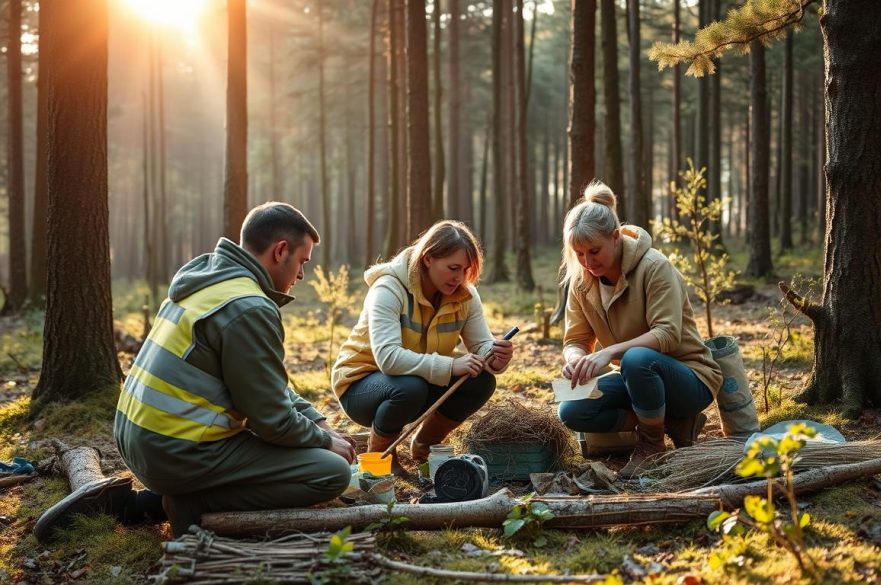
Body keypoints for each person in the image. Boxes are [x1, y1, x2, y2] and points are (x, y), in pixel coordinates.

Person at [35, 202, 355, 541]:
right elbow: (271, 420)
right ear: (280, 251)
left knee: (307, 444)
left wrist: (314, 419)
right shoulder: (249, 308)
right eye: (303, 262)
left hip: (136, 437)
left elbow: (260, 382)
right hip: (174, 452)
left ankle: (138, 505)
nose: (302, 275)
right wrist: (322, 441)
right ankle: (193, 503)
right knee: (329, 472)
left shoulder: (209, 280)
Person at [557, 181, 724, 477]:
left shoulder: (654, 266)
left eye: (594, 251)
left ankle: (652, 446)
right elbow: (576, 339)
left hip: (690, 378)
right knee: (572, 410)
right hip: (637, 379)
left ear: (616, 237)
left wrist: (608, 353)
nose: (587, 261)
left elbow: (668, 334)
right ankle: (673, 423)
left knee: (635, 358)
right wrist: (575, 361)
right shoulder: (581, 281)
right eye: (579, 253)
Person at [332, 220, 513, 475]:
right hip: (360, 386)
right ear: (428, 259)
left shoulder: (465, 296)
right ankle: (379, 454)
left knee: (481, 381)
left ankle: (426, 445)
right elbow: (388, 358)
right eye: (453, 268)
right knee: (409, 387)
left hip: (415, 380)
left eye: (465, 269)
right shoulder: (388, 289)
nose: (459, 277)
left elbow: (481, 344)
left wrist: (495, 356)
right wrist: (451, 365)